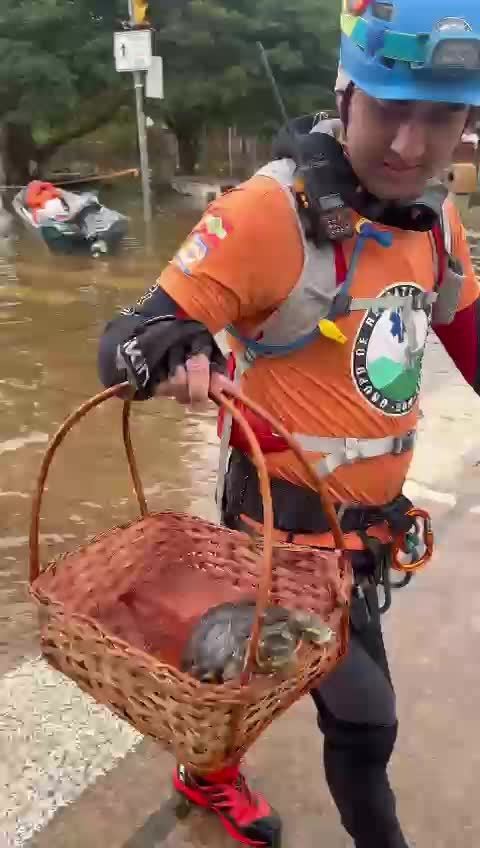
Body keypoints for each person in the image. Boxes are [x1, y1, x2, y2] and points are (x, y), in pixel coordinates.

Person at [98, 1, 480, 845]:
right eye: (389, 110)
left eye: (442, 118)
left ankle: (206, 769)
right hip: (276, 523)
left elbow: (473, 340)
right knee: (362, 721)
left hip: (370, 528)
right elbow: (123, 336)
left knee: (248, 679)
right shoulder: (266, 216)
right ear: (345, 94)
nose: (411, 147)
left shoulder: (436, 218)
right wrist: (168, 349)